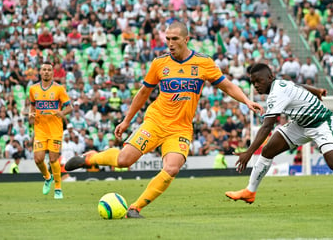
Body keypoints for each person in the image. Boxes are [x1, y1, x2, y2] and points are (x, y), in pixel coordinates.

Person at [65, 21, 263, 218]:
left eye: (174, 39)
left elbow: (227, 86)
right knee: (124, 160)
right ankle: (90, 158)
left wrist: (246, 100)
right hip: (155, 122)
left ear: (186, 39)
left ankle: (135, 208)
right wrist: (126, 121)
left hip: (180, 129)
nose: (170, 43)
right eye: (167, 39)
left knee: (172, 168)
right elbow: (143, 93)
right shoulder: (159, 63)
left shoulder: (203, 63)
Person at [225, 63, 333, 205]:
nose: (255, 85)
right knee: (268, 150)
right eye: (252, 82)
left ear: (270, 78)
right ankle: (250, 191)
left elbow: (267, 125)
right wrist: (316, 91)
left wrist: (248, 152)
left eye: (258, 81)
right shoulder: (281, 84)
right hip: (301, 124)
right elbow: (298, 86)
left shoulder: (277, 93)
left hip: (321, 123)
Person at [29, 62, 73, 199]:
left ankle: (58, 188)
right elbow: (32, 106)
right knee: (38, 159)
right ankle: (48, 177)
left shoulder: (59, 89)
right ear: (40, 72)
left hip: (55, 129)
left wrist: (62, 113)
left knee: (53, 159)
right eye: (44, 70)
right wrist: (30, 114)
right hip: (40, 129)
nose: (46, 72)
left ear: (52, 73)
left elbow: (69, 107)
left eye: (49, 70)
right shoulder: (33, 89)